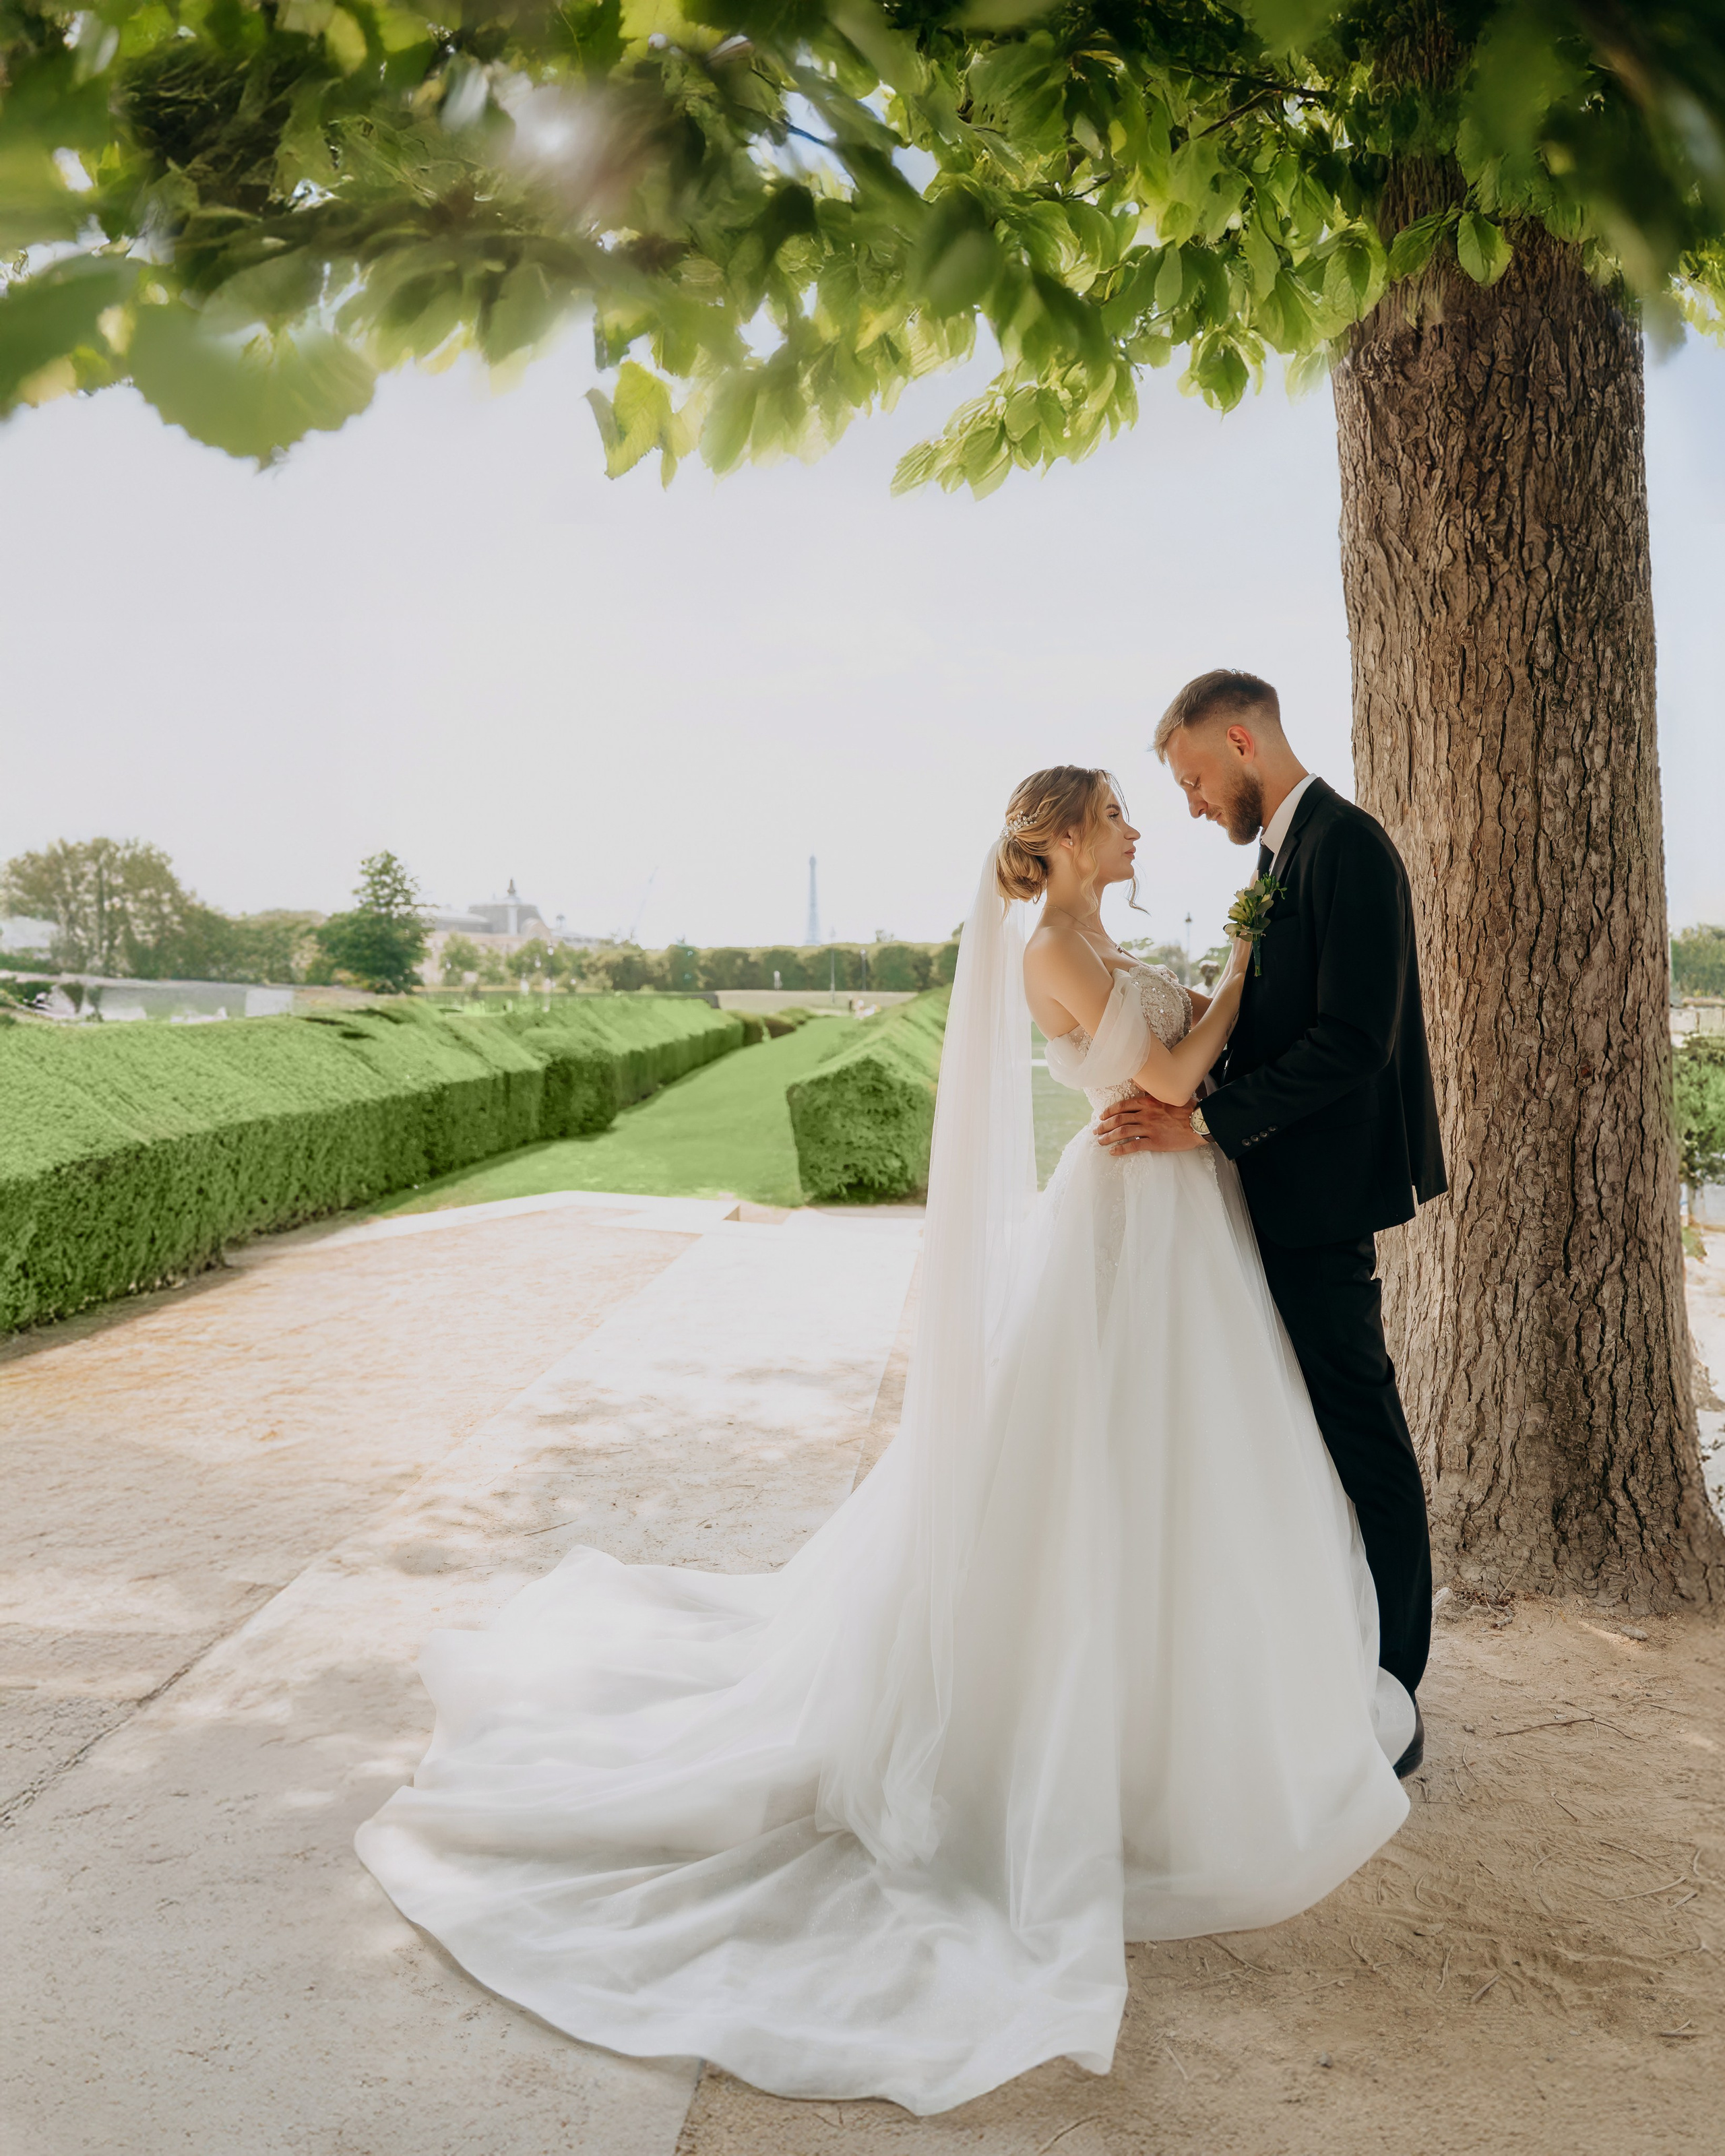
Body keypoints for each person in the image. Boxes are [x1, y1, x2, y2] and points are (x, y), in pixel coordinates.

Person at [356, 766, 1412, 2118]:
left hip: (1175, 1209)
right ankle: (1081, 1739)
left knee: (1180, 1470)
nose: (1142, 827)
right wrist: (1248, 959)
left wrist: (1223, 977)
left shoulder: (1092, 937)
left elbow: (1181, 1047)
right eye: (1120, 813)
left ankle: (1173, 1708)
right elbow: (1167, 1070)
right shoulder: (1052, 949)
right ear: (1073, 834)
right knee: (1098, 1465)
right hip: (1129, 1215)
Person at [1096, 672, 1446, 1774]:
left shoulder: (1349, 848)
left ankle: (1397, 1690)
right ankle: (1331, 1657)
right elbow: (1272, 1014)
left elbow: (1355, 1040)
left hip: (1324, 1194)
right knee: (1293, 1431)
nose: (1194, 806)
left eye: (1196, 779)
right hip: (1274, 1186)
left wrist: (1203, 1127)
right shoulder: (1275, 858)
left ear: (1242, 742)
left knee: (1361, 1431)